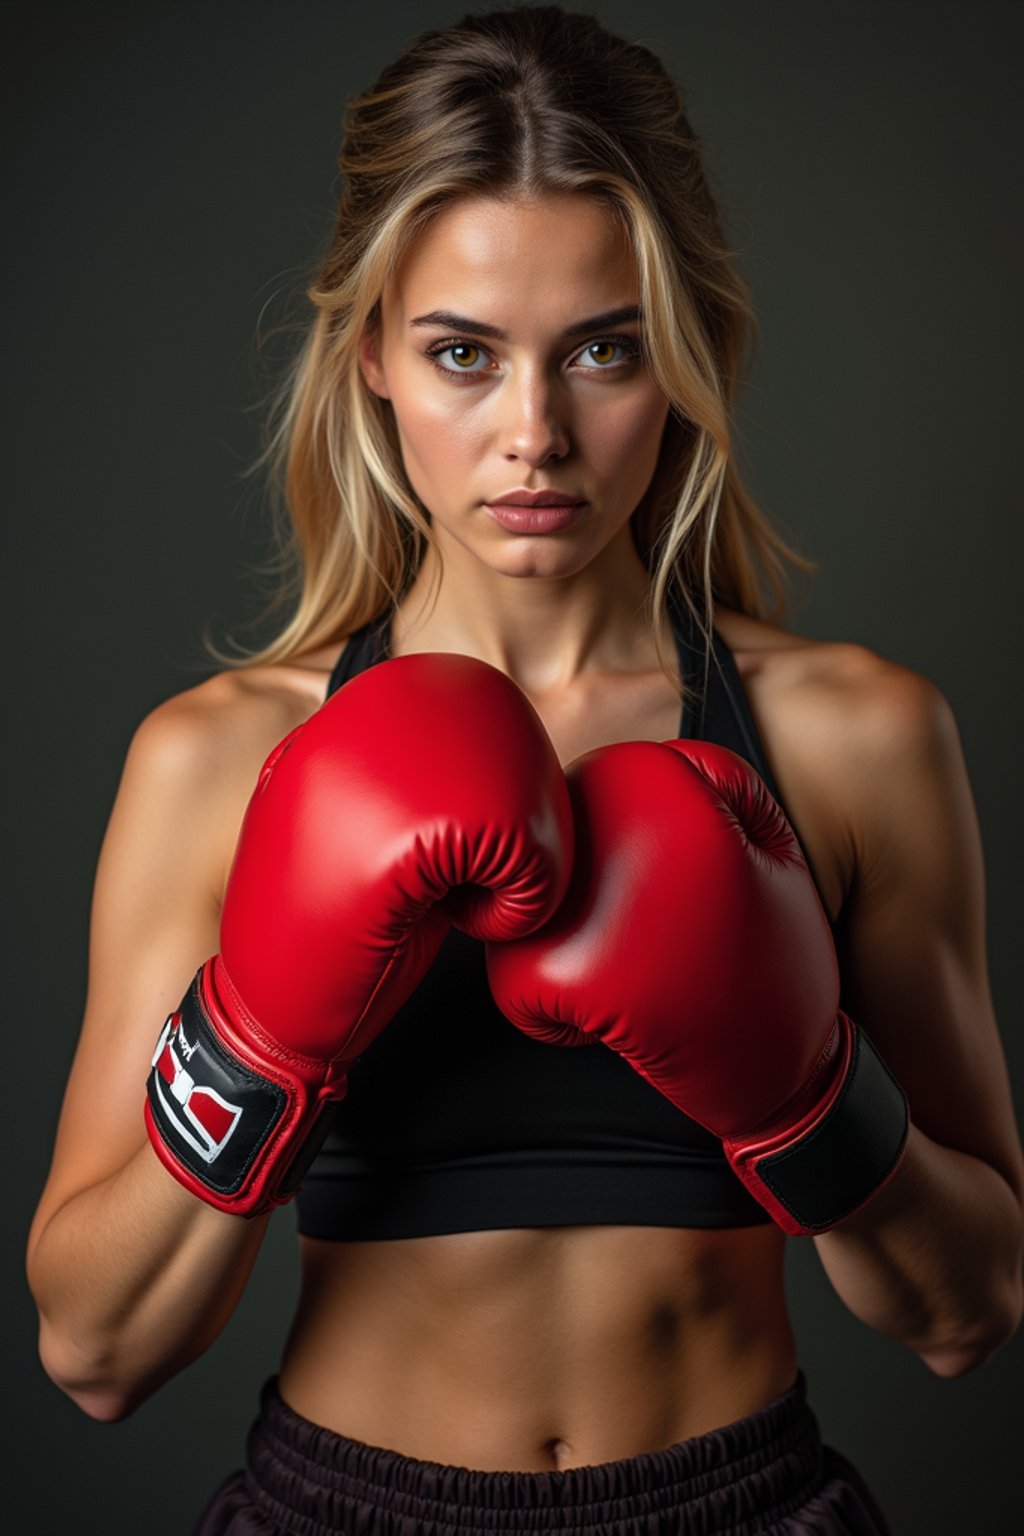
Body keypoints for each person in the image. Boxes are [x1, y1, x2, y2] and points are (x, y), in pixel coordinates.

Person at [26, 5, 1023, 1533]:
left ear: (682, 352)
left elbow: (970, 1312)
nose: (534, 434)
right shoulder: (221, 758)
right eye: (463, 356)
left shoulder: (853, 738)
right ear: (370, 354)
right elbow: (95, 1349)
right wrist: (259, 1038)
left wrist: (808, 1092)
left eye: (602, 350)